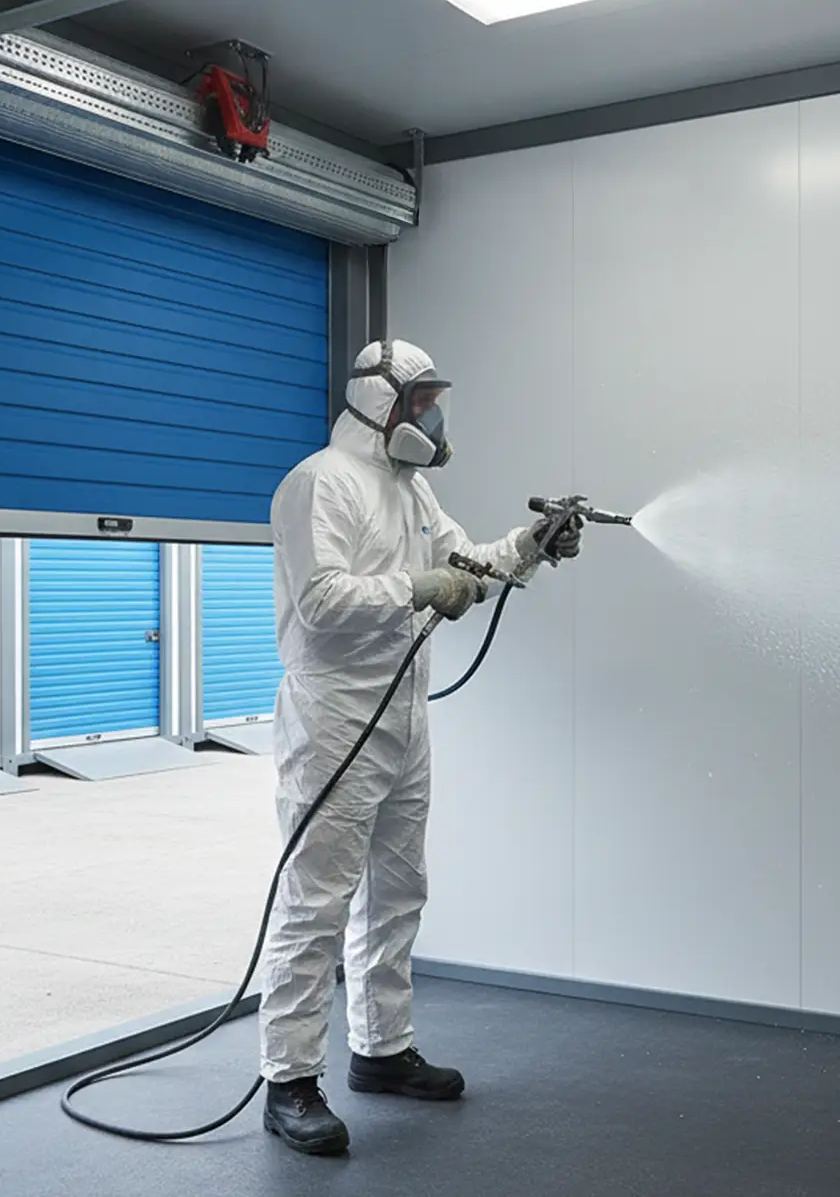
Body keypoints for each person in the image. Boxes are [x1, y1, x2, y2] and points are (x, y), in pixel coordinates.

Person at [258, 339, 582, 1155]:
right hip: (334, 714)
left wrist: (534, 543)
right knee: (317, 900)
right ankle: (290, 1079)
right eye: (423, 400)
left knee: (399, 890)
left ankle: (382, 1049)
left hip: (403, 710)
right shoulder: (318, 483)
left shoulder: (413, 488)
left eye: (437, 400)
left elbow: (465, 561)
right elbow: (323, 600)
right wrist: (418, 588)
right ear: (380, 402)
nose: (434, 416)